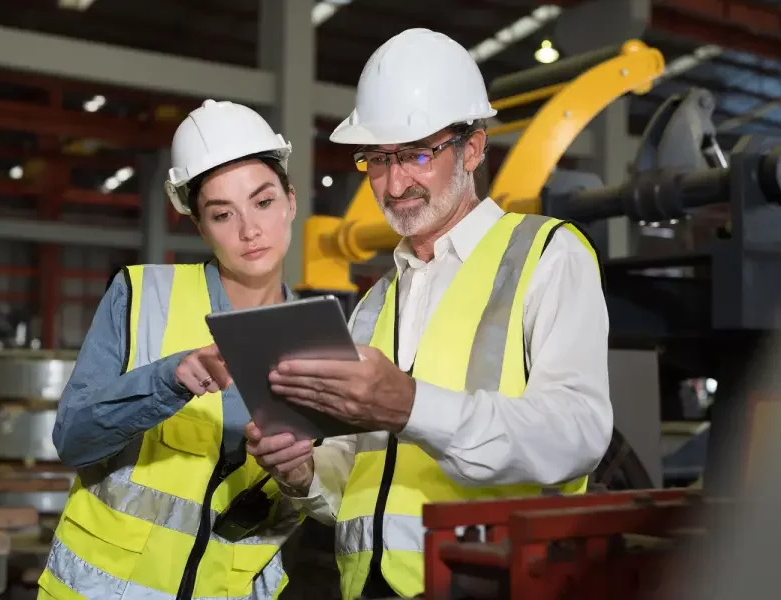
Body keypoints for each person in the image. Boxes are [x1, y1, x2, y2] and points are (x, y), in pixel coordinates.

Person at [245, 28, 613, 600]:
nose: (395, 184)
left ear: (473, 149)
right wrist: (303, 471)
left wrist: (412, 406)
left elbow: (580, 433)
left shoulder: (547, 256)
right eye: (377, 159)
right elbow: (361, 482)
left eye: (418, 154)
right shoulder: (374, 303)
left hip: (488, 582)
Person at [37, 99, 303, 600]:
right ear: (200, 225)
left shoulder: (316, 336)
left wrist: (302, 476)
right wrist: (168, 380)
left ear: (290, 201)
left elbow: (330, 495)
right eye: (222, 214)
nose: (249, 230)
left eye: (263, 202)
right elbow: (73, 439)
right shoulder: (142, 296)